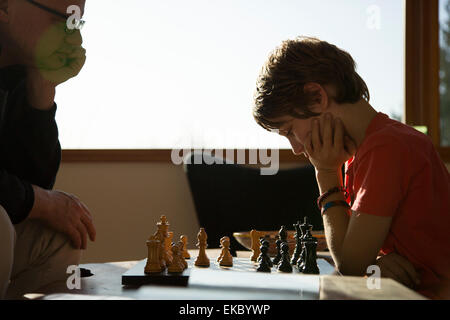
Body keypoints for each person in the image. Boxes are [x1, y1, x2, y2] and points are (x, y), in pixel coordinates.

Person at [252, 36, 450, 299]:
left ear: (316, 97)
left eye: (289, 131)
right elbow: (358, 256)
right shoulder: (357, 153)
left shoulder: (387, 147)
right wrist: (374, 264)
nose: (297, 149)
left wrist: (324, 174)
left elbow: (350, 265)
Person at [0, 0, 95, 299]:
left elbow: (31, 187)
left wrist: (42, 89)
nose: (71, 36)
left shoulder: (15, 74)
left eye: (77, 23)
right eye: (63, 19)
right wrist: (41, 202)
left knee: (61, 233)